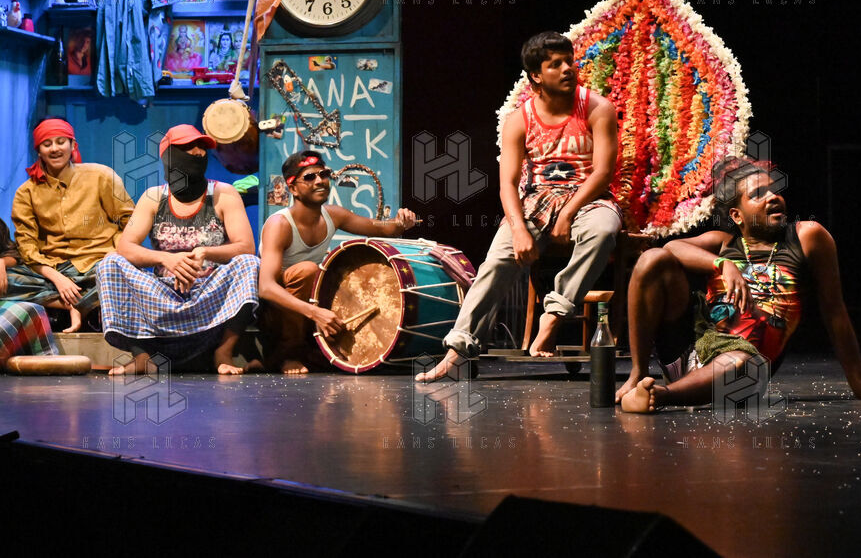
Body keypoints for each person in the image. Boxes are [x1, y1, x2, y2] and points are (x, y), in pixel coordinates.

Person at [616, 157, 861, 412]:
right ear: (737, 215)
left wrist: (860, 387)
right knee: (652, 259)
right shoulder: (724, 243)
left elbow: (834, 312)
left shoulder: (806, 237)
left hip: (742, 369)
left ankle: (660, 396)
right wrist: (723, 264)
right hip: (690, 352)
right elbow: (672, 248)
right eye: (757, 194)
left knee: (741, 362)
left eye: (774, 190)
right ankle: (638, 375)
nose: (772, 197)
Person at [417, 31, 620, 382]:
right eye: (555, 64)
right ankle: (457, 351)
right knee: (497, 260)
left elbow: (603, 173)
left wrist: (569, 212)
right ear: (536, 76)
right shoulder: (519, 120)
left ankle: (554, 314)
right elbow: (508, 184)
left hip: (588, 197)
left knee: (602, 231)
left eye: (569, 61)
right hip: (537, 198)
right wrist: (519, 228)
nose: (567, 69)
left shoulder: (597, 108)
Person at [96, 124, 261, 376]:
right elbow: (126, 246)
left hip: (209, 292)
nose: (198, 153)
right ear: (169, 157)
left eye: (201, 147)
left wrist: (205, 252)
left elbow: (245, 246)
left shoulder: (223, 193)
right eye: (188, 148)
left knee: (249, 263)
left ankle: (223, 352)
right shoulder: (154, 197)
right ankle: (142, 357)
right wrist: (166, 259)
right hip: (163, 294)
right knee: (110, 263)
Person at [258, 150, 419, 374]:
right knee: (308, 271)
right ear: (293, 188)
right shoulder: (280, 224)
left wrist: (401, 222)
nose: (319, 181)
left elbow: (383, 228)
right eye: (309, 177)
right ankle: (286, 355)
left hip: (307, 306)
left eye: (323, 174)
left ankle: (309, 352)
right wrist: (315, 313)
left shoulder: (333, 215)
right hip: (275, 312)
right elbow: (266, 287)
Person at [9, 118, 134, 332]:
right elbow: (27, 246)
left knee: (125, 274)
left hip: (98, 264)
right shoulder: (26, 192)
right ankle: (75, 305)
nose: (54, 149)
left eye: (61, 142)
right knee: (7, 280)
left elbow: (129, 221)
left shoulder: (100, 176)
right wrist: (58, 279)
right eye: (47, 144)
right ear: (38, 151)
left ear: (73, 145)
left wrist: (116, 254)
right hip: (52, 269)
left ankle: (79, 301)